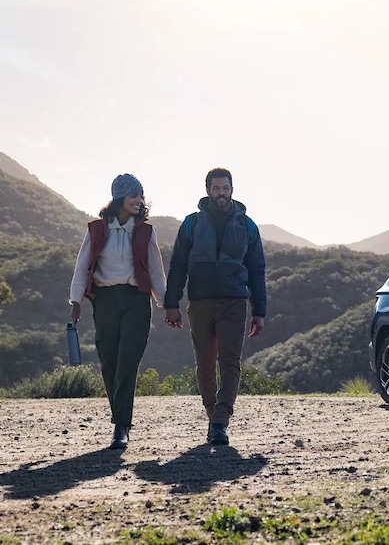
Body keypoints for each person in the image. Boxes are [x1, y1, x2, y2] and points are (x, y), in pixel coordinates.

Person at [163, 167, 267, 446]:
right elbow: (177, 266)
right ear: (208, 190)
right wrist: (170, 302)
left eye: (226, 188)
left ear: (233, 189)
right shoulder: (191, 224)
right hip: (200, 300)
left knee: (230, 361)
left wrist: (259, 310)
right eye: (216, 188)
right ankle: (213, 416)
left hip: (234, 300)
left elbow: (257, 270)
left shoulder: (247, 225)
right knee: (205, 363)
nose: (221, 193)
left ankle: (221, 420)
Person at [68, 173, 167, 449]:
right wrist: (75, 301)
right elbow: (82, 266)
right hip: (105, 300)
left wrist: (166, 305)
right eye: (133, 195)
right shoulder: (97, 230)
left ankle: (121, 426)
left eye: (141, 195)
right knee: (109, 360)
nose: (139, 200)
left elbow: (156, 271)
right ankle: (120, 418)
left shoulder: (146, 231)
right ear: (119, 198)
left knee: (128, 361)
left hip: (136, 300)